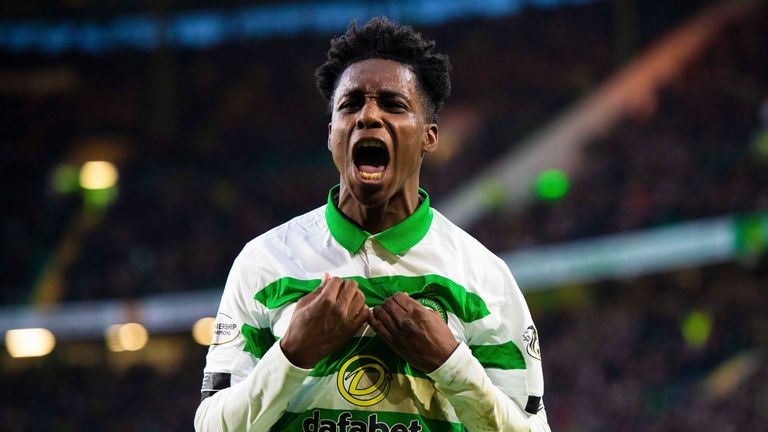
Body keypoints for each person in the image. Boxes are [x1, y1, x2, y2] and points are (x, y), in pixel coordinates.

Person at [195, 16, 550, 432]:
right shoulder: (265, 263)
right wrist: (292, 353)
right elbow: (212, 427)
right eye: (350, 104)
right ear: (332, 135)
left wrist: (451, 365)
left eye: (393, 104)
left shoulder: (484, 278)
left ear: (428, 136)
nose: (367, 116)